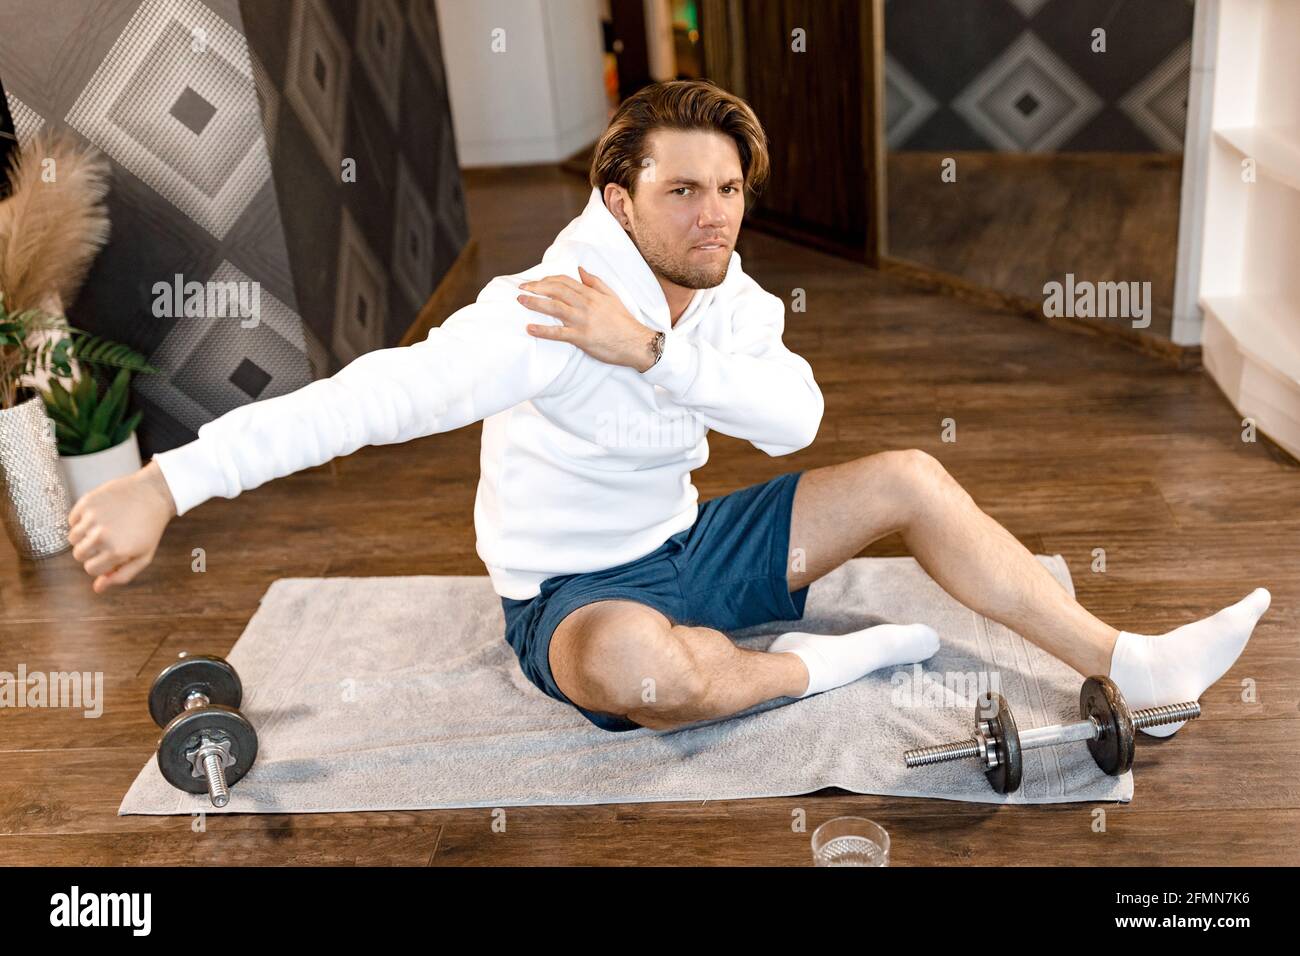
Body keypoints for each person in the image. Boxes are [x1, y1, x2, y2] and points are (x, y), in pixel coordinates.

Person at [66, 80, 1270, 735]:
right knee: (652, 675)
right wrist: (165, 482)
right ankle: (821, 668)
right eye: (683, 189)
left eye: (731, 190)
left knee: (906, 472)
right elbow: (365, 399)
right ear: (619, 195)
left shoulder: (724, 292)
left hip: (691, 542)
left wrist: (649, 349)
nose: (715, 214)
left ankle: (1131, 659)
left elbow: (793, 417)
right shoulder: (535, 312)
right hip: (574, 595)